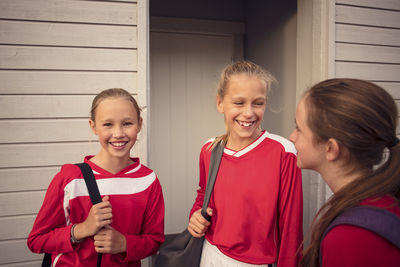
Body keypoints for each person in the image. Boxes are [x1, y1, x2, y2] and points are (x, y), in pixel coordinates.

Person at [28, 88, 165, 266]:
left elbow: (154, 241)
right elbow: (37, 240)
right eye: (108, 124)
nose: (118, 133)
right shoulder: (70, 178)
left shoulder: (148, 181)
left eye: (127, 123)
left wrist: (124, 243)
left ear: (139, 124)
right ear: (93, 126)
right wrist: (82, 229)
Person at [187, 60, 303, 267]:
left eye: (258, 103)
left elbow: (291, 226)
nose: (249, 113)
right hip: (210, 253)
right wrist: (195, 216)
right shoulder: (209, 149)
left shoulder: (284, 152)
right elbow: (204, 194)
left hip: (257, 262)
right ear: (220, 103)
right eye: (239, 103)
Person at [289, 78, 400, 267]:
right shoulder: (378, 202)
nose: (292, 136)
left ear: (330, 148)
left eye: (299, 128)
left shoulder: (352, 237)